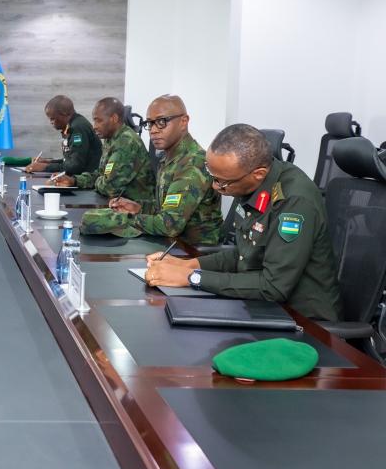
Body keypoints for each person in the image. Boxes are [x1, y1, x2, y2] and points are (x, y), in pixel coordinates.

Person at [142, 124, 343, 321]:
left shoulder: (294, 201)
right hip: (261, 305)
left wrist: (190, 277)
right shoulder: (247, 183)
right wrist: (188, 265)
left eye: (222, 181)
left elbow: (272, 286)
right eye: (212, 176)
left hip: (304, 321)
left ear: (258, 174)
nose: (215, 186)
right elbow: (244, 254)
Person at [79, 95, 223, 244]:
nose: (153, 130)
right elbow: (165, 209)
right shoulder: (170, 159)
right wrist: (139, 207)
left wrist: (123, 218)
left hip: (195, 250)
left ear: (183, 122)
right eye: (150, 123)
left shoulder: (192, 164)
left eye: (161, 122)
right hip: (172, 244)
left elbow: (169, 225)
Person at [51, 97, 154, 202]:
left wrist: (101, 180)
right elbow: (100, 173)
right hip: (115, 202)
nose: (94, 126)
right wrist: (74, 180)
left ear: (114, 118)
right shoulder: (111, 139)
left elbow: (110, 188)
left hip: (135, 206)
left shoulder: (127, 142)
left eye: (98, 120)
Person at [24, 96, 101, 175]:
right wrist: (48, 162)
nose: (50, 122)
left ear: (63, 116)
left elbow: (76, 167)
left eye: (52, 119)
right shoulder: (72, 124)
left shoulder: (77, 128)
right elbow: (70, 161)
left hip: (88, 179)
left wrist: (46, 167)